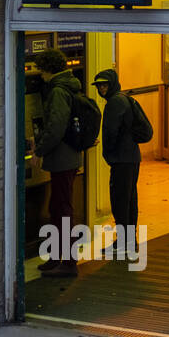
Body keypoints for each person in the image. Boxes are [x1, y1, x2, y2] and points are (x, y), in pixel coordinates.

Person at [31, 49, 84, 278]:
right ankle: (56, 257)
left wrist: (39, 150)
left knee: (62, 209)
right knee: (57, 208)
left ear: (49, 69)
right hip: (66, 157)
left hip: (62, 158)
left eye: (41, 71)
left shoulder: (58, 91)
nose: (40, 76)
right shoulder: (69, 86)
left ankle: (69, 262)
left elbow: (55, 127)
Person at [92, 69, 140, 257]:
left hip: (122, 159)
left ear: (112, 84)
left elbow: (111, 132)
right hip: (131, 157)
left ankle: (123, 242)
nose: (102, 88)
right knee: (129, 199)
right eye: (99, 85)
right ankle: (129, 241)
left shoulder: (114, 103)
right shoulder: (124, 98)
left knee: (120, 201)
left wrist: (109, 154)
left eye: (105, 84)